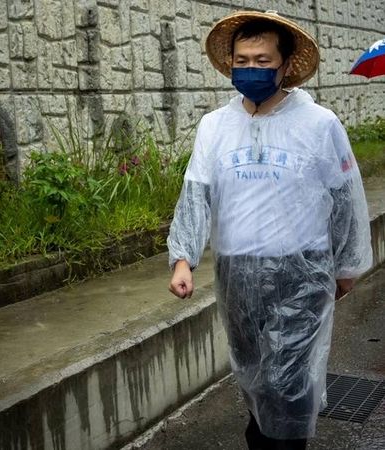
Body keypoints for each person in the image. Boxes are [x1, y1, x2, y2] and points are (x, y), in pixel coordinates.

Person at [167, 10, 373, 450]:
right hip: (237, 275)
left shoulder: (319, 124)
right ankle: (260, 435)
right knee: (255, 377)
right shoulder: (214, 128)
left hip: (302, 273)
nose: (251, 69)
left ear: (286, 66)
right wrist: (183, 258)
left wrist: (348, 264)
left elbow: (344, 199)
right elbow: (196, 195)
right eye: (243, 60)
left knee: (290, 385)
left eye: (263, 61)